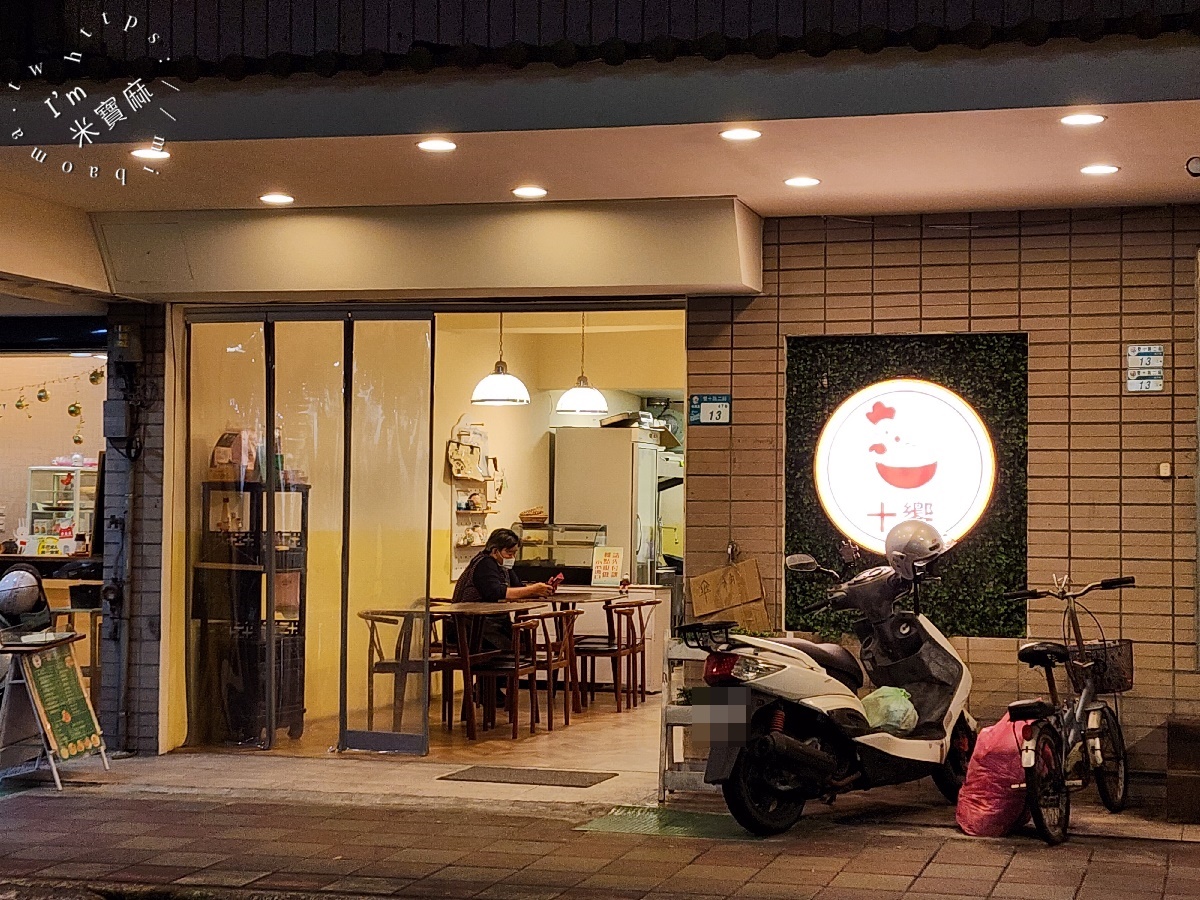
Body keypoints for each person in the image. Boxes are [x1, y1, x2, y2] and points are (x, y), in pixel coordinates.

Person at [450, 528, 554, 652]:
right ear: (495, 551)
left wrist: (540, 590)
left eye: (515, 553)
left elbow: (518, 587)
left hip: (492, 624)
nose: (512, 557)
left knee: (524, 642)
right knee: (512, 646)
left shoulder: (504, 567)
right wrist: (533, 589)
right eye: (509, 553)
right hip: (470, 627)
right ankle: (489, 670)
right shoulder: (484, 563)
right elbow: (496, 592)